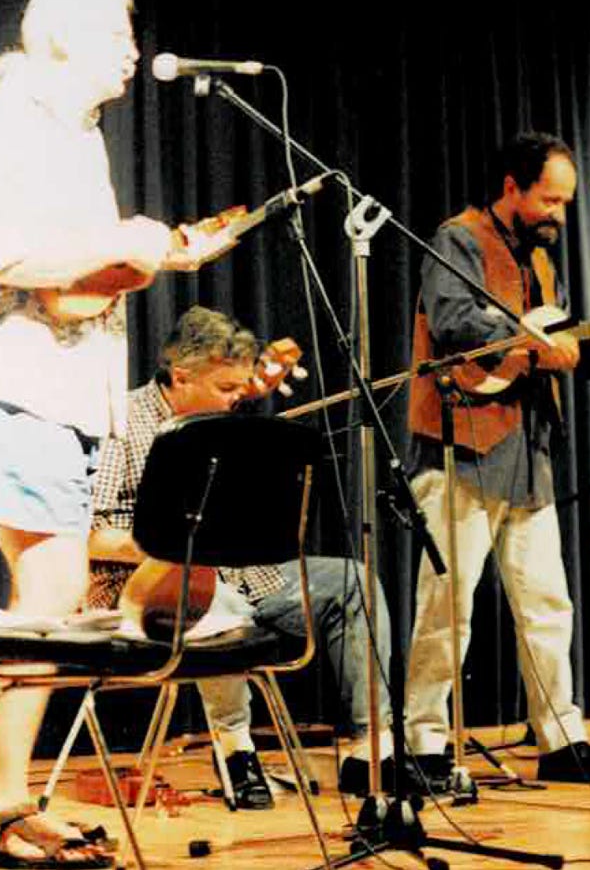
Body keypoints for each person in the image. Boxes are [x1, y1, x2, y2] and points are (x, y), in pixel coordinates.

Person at [0, 0, 233, 867]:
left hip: (68, 389)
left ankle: (0, 803)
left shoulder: (78, 141)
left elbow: (74, 298)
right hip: (17, 384)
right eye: (117, 31)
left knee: (47, 602)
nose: (131, 48)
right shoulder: (0, 124)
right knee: (46, 598)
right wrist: (125, 243)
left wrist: (158, 259)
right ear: (65, 39)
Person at [403, 131, 590, 784]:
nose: (559, 214)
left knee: (548, 603)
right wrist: (529, 342)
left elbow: (560, 345)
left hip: (527, 452)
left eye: (566, 202)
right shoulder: (456, 239)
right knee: (445, 609)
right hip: (460, 446)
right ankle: (425, 744)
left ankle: (561, 738)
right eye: (550, 199)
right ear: (511, 187)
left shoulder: (543, 264)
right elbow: (455, 322)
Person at [86, 306, 394, 804]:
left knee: (352, 582)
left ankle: (369, 750)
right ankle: (236, 752)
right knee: (211, 599)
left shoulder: (223, 421)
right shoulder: (122, 421)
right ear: (181, 377)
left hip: (248, 578)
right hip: (152, 589)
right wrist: (177, 544)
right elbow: (95, 535)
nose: (238, 400)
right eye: (227, 389)